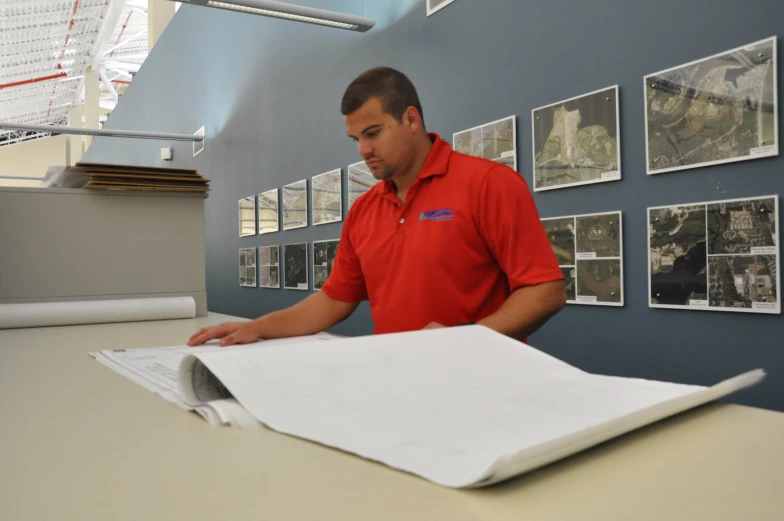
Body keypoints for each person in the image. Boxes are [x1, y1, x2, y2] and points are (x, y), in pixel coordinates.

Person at [188, 67, 565, 347]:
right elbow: (334, 300)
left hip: (483, 383)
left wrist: (466, 341)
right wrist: (259, 327)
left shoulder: (489, 183)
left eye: (373, 134)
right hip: (395, 380)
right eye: (355, 138)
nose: (362, 150)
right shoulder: (364, 210)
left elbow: (545, 291)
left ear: (411, 119)